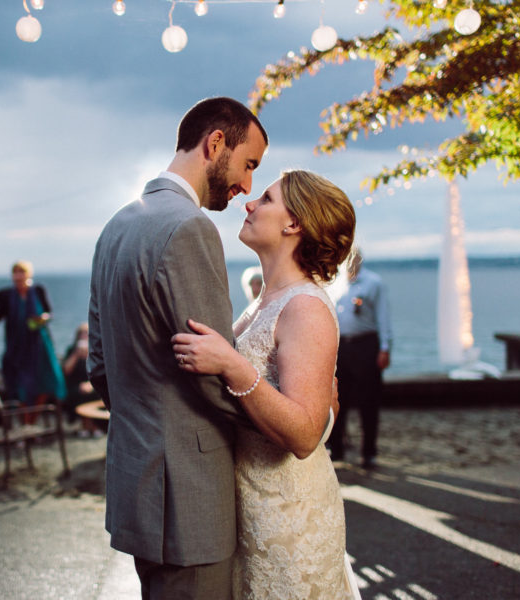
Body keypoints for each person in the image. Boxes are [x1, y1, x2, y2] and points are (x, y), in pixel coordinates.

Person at [87, 96, 268, 599]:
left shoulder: (116, 227)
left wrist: (148, 423)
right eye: (248, 164)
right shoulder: (190, 228)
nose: (247, 186)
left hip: (138, 479)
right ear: (215, 144)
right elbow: (213, 376)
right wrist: (276, 420)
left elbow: (100, 365)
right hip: (189, 495)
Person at [171, 169, 358, 598]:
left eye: (267, 199)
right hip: (251, 508)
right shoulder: (265, 302)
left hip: (289, 519)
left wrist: (232, 366)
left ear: (294, 224)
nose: (249, 203)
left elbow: (306, 434)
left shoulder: (305, 308)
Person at [327, 246, 392, 468]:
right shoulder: (335, 283)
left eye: (355, 258)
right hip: (341, 346)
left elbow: (383, 317)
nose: (351, 262)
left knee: (369, 400)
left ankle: (369, 452)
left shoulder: (373, 283)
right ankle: (337, 449)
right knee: (337, 398)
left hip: (366, 344)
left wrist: (385, 348)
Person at [0, 260, 66, 420]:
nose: (18, 276)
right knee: (21, 385)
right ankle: (26, 422)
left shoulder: (38, 290)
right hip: (17, 347)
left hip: (39, 345)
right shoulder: (7, 296)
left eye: (22, 272)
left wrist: (42, 318)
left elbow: (49, 312)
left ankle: (32, 420)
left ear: (28, 274)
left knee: (47, 381)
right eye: (15, 272)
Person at [61, 323, 103, 438]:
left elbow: (100, 370)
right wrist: (76, 354)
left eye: (87, 333)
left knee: (94, 393)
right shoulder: (72, 350)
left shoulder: (96, 350)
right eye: (82, 334)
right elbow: (66, 371)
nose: (84, 336)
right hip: (76, 385)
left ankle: (95, 426)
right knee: (79, 394)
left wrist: (90, 384)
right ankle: (85, 426)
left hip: (93, 383)